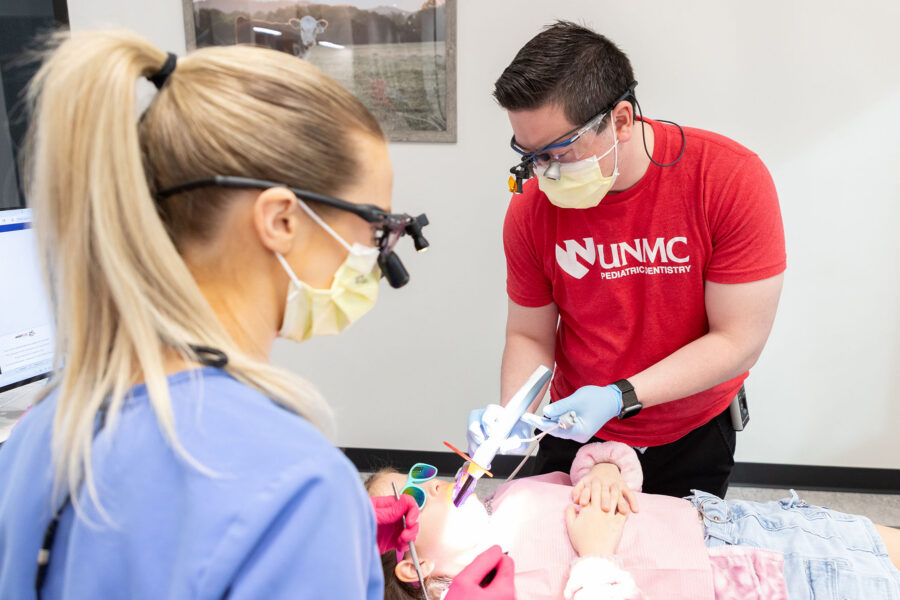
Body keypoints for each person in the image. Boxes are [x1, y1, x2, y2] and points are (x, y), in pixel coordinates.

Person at [0, 29, 511, 599]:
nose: (378, 258)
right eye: (375, 229)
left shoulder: (44, 429)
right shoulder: (297, 486)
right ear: (281, 221)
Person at [468, 21, 787, 499]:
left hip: (691, 429)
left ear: (620, 119)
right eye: (529, 155)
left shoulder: (727, 180)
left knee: (676, 559)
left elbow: (738, 340)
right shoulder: (533, 208)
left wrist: (620, 397)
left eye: (558, 152)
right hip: (577, 429)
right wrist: (513, 412)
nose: (543, 172)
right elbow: (529, 333)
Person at [367, 446, 900, 599]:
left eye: (424, 472)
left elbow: (616, 465)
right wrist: (595, 554)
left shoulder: (512, 495)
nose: (435, 483)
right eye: (413, 493)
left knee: (875, 541)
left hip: (729, 521)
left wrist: (600, 467)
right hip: (742, 585)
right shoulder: (494, 594)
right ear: (414, 567)